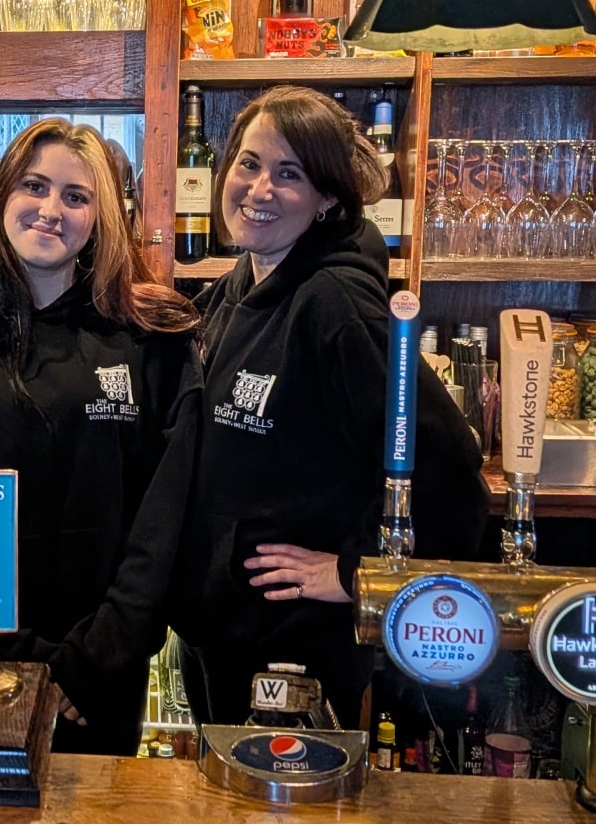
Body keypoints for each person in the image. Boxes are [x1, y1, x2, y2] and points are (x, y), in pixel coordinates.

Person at [171, 86, 488, 729]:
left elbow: (450, 467)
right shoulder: (240, 287)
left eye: (289, 174)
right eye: (249, 164)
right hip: (226, 635)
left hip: (291, 651)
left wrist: (351, 573)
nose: (259, 189)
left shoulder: (335, 303)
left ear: (328, 199)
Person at [0, 119, 201, 754]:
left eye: (76, 196)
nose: (50, 210)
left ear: (101, 217)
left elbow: (162, 521)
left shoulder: (149, 336)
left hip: (96, 684)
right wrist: (4, 648)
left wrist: (95, 660)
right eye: (34, 186)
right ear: (3, 194)